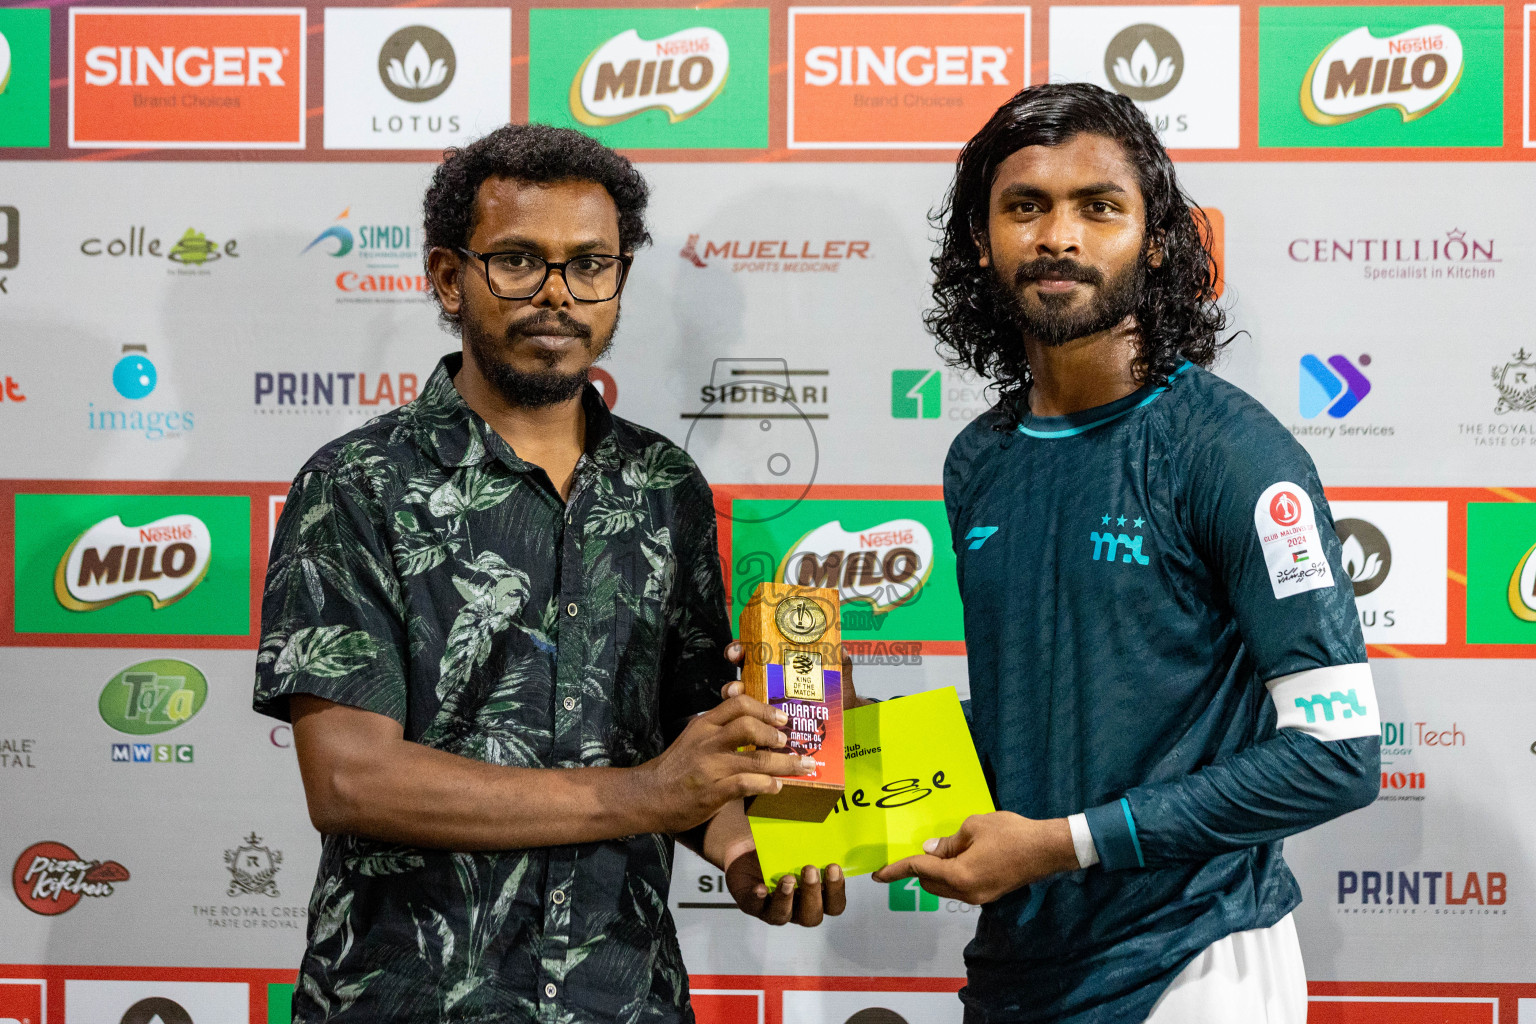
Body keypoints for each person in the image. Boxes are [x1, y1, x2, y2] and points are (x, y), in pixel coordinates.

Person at [254, 123, 842, 1024]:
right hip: (406, 1000)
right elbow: (349, 782)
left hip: (627, 997)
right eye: (519, 261)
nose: (558, 295)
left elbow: (687, 748)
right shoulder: (356, 485)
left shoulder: (665, 486)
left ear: (620, 278)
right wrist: (646, 793)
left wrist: (744, 851)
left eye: (590, 264)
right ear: (451, 278)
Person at [873, 83, 1381, 1023]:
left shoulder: (1231, 451)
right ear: (981, 243)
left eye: (1098, 207)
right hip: (1020, 968)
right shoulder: (978, 458)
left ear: (1156, 240)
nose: (1058, 236)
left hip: (1195, 963)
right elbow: (1049, 722)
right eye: (1026, 206)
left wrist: (1063, 844)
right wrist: (835, 748)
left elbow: (1337, 754)